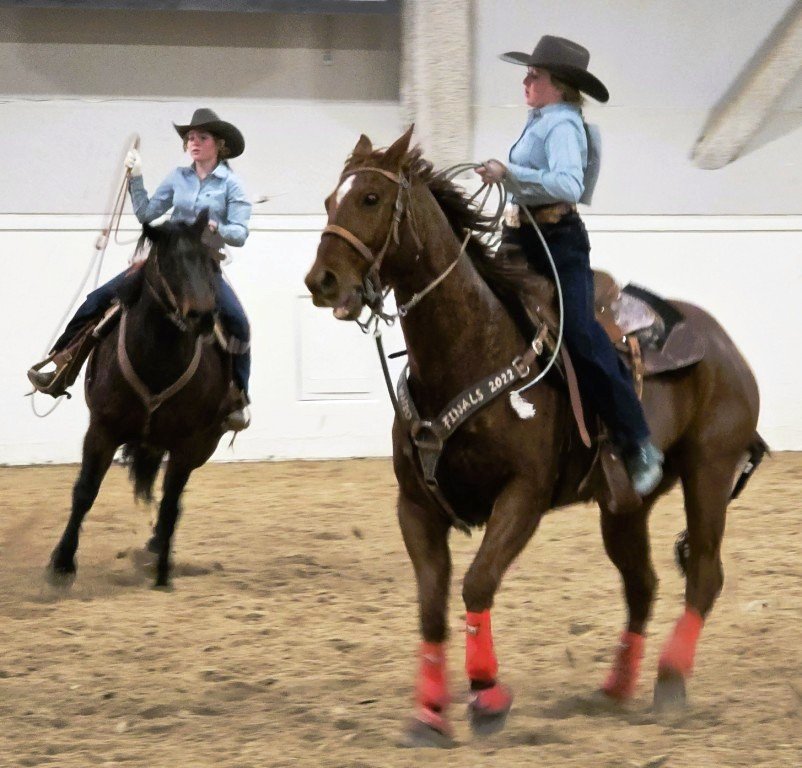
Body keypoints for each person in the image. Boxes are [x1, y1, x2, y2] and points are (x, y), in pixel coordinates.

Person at [476, 35, 663, 496]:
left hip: (558, 243)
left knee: (579, 334)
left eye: (534, 76)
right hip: (523, 237)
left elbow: (567, 182)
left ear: (557, 86)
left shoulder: (562, 125)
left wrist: (510, 174)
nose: (526, 81)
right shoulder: (541, 120)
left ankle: (638, 441)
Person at [27, 108, 253, 431]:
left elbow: (240, 234)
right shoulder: (178, 178)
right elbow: (148, 213)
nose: (194, 142)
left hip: (203, 266)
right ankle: (62, 364)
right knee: (98, 299)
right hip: (167, 260)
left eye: (201, 137)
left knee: (238, 323)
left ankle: (238, 395)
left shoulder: (232, 185)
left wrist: (217, 227)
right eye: (190, 137)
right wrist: (136, 178)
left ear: (220, 145)